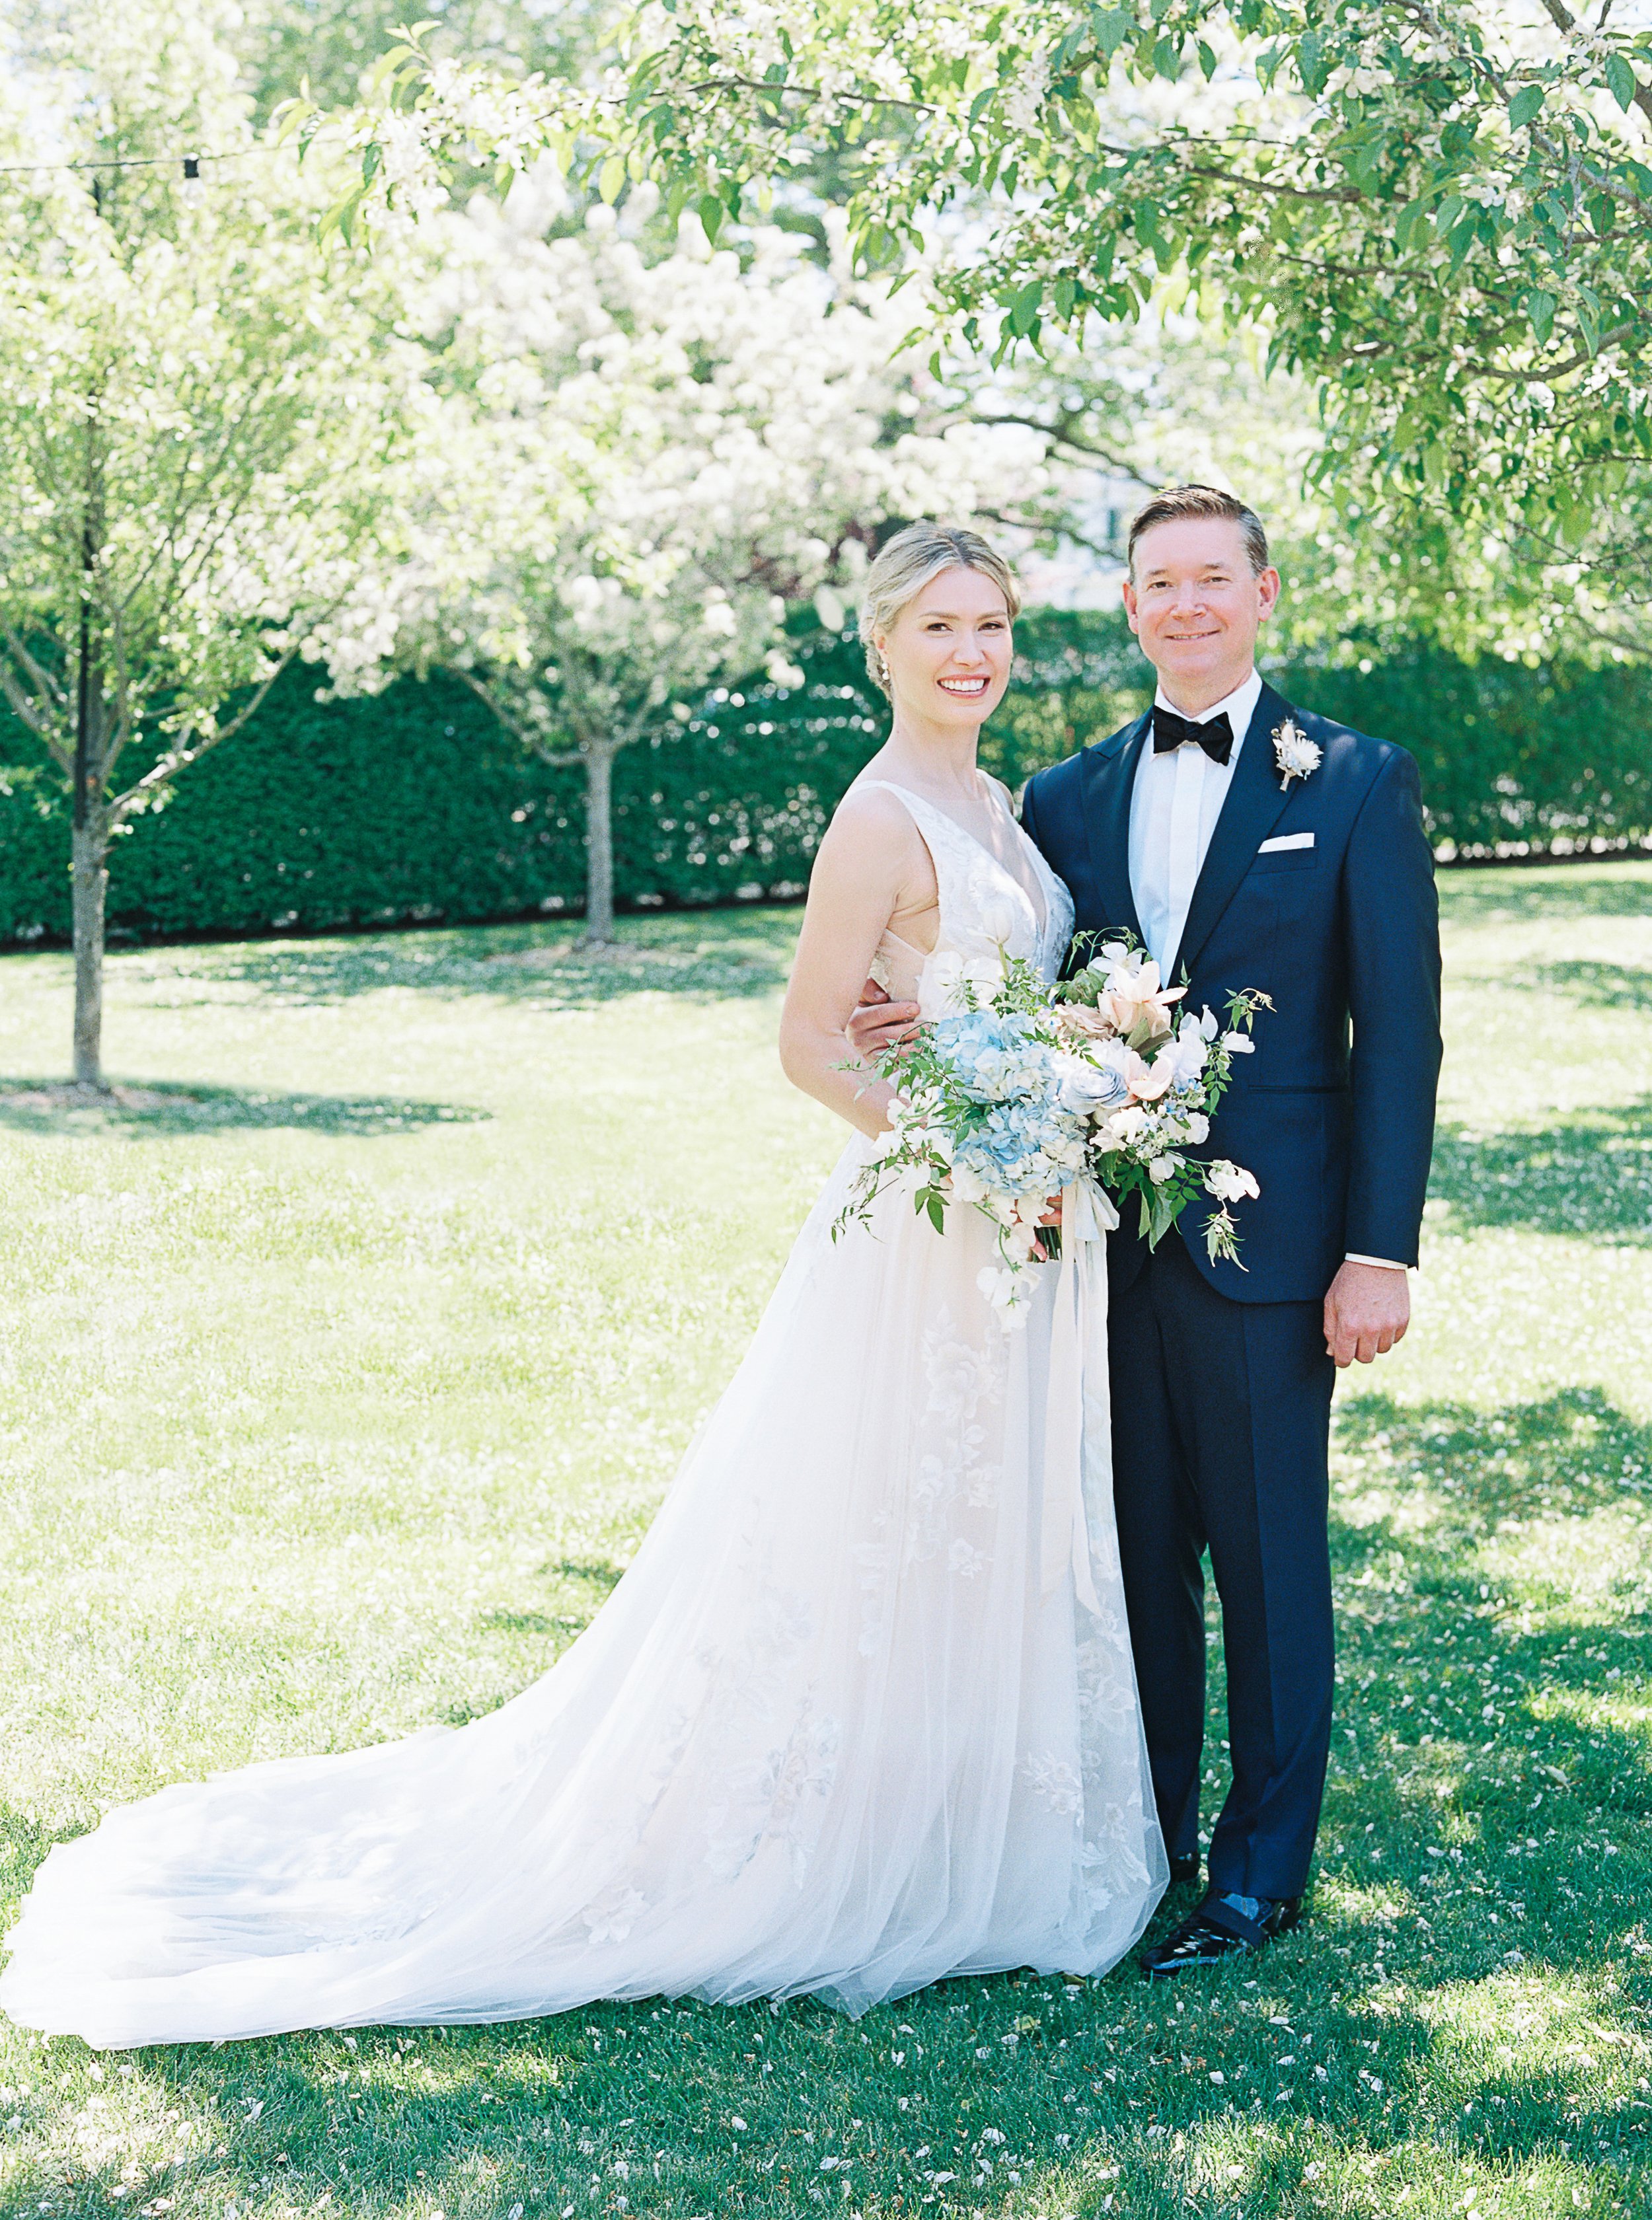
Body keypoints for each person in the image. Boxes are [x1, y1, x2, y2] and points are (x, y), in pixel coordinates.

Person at [0, 523, 1166, 2050]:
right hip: (928, 1226)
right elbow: (811, 1041)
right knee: (880, 1517)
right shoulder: (879, 817)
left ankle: (973, 1827)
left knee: (980, 1524)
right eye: (938, 624)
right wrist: (971, 1153)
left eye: (990, 623)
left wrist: (1078, 1081)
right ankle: (837, 1843)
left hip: (1021, 1232)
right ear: (878, 646)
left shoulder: (1000, 811)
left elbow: (987, 1006)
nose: (969, 650)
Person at [851, 486, 1441, 1975]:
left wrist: (1378, 1251)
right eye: (1155, 584)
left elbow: (1400, 1036)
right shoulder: (1062, 797)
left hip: (1278, 1252)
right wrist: (914, 1027)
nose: (1182, 605)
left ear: (1259, 595)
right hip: (1090, 1247)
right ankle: (1149, 1841)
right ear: (1127, 609)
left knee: (1265, 1565)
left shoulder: (1357, 781)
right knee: (1127, 1565)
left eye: (1208, 580)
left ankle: (1257, 1875)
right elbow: (1008, 992)